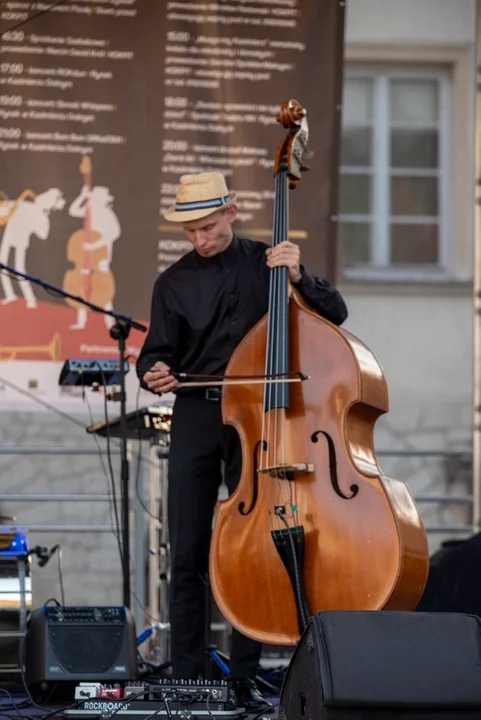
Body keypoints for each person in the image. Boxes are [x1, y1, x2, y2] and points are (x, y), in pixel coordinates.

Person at [136, 172, 348, 709]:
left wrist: (300, 275)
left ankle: (246, 675)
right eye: (190, 232)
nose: (199, 240)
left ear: (231, 212)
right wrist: (154, 371)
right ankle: (188, 677)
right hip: (198, 416)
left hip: (260, 420)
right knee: (186, 548)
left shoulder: (270, 264)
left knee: (254, 549)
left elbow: (336, 314)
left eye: (207, 227)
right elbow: (155, 355)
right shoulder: (172, 283)